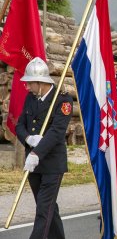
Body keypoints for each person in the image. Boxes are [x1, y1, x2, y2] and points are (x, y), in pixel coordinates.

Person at [16, 57, 73, 239]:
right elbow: (19, 125)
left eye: (30, 83)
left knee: (43, 209)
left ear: (41, 83)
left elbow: (57, 132)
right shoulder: (31, 98)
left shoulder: (62, 100)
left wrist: (37, 152)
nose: (27, 87)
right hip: (34, 164)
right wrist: (29, 138)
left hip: (52, 164)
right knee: (48, 208)